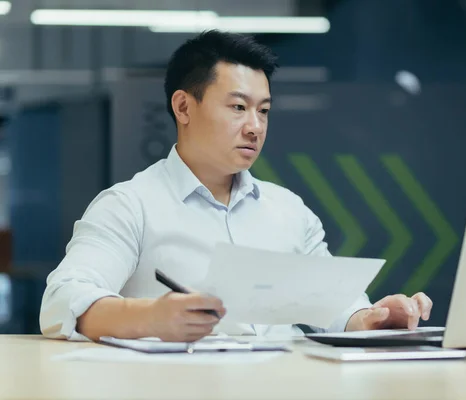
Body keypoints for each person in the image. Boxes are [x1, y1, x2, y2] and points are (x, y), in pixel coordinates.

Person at [39, 30, 433, 342]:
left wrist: (373, 318)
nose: (255, 126)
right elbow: (63, 300)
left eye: (263, 111)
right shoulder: (129, 205)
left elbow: (333, 306)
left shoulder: (289, 210)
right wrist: (151, 318)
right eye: (238, 107)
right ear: (183, 107)